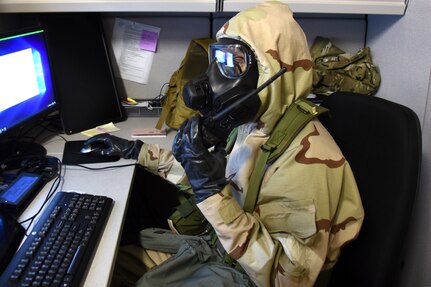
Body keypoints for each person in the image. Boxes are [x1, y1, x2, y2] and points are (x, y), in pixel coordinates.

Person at [82, 1, 364, 286]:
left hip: (248, 273)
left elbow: (287, 280)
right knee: (104, 267)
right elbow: (211, 176)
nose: (215, 76)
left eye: (235, 63)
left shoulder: (308, 162)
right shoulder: (254, 125)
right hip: (220, 246)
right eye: (219, 59)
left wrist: (211, 193)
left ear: (272, 72)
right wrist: (138, 152)